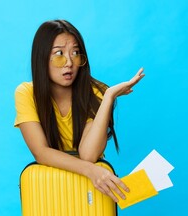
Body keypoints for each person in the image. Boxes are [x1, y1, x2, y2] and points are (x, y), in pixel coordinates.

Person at [14, 19, 145, 202]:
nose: (69, 62)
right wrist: (90, 170)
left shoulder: (95, 92)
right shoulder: (26, 93)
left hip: (91, 191)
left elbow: (89, 154)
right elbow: (41, 152)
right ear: (41, 57)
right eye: (59, 54)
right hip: (52, 188)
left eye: (75, 53)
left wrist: (108, 97)